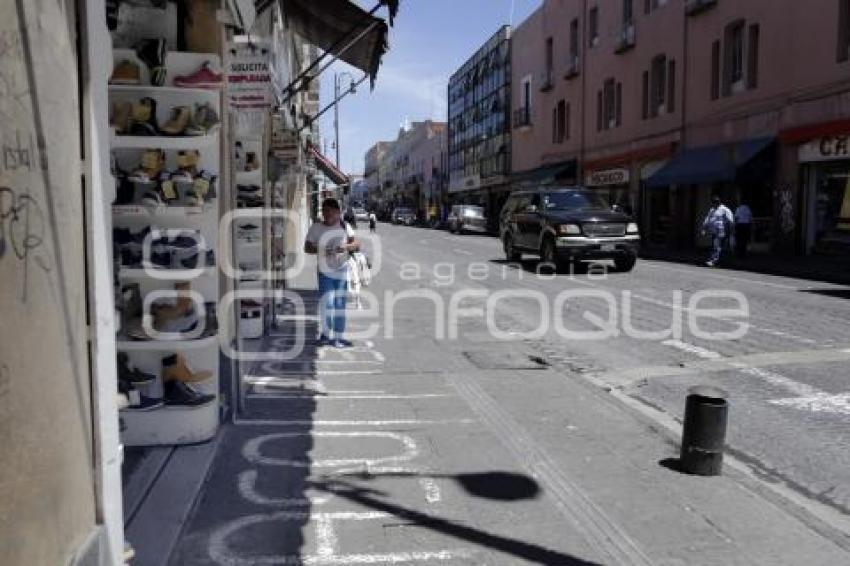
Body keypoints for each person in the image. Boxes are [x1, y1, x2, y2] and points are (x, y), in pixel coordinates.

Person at [304, 198, 360, 347]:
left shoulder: (344, 226)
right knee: (327, 304)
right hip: (324, 271)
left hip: (342, 270)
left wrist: (346, 247)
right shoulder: (316, 228)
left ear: (337, 212)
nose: (326, 214)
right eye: (324, 211)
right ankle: (325, 334)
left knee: (340, 304)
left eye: (330, 211)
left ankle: (338, 337)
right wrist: (322, 249)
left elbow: (356, 244)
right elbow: (307, 248)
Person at [702, 195, 734, 267]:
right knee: (715, 245)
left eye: (715, 203)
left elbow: (730, 220)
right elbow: (707, 219)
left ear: (718, 203)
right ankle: (717, 261)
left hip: (721, 230)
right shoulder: (712, 210)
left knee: (717, 245)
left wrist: (731, 230)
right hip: (714, 231)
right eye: (713, 203)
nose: (714, 205)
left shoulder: (725, 209)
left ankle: (713, 261)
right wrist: (704, 228)